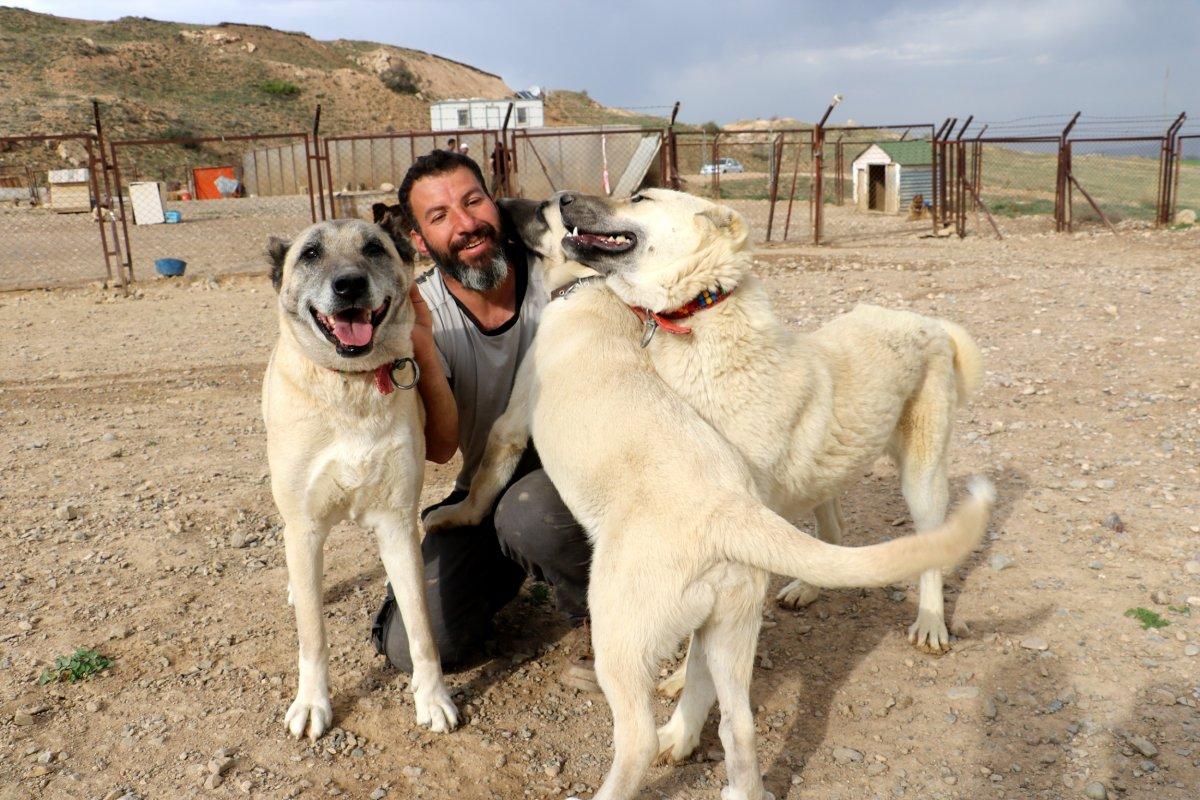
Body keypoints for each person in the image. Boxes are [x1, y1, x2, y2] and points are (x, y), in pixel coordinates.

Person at [370, 149, 596, 690]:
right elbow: (443, 447)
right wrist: (420, 342)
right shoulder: (424, 312)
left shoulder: (559, 270)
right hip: (485, 492)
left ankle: (602, 613)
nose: (467, 224)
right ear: (420, 240)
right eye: (441, 216)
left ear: (495, 205)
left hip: (588, 474)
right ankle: (518, 565)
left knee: (531, 513)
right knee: (414, 648)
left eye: (474, 202)